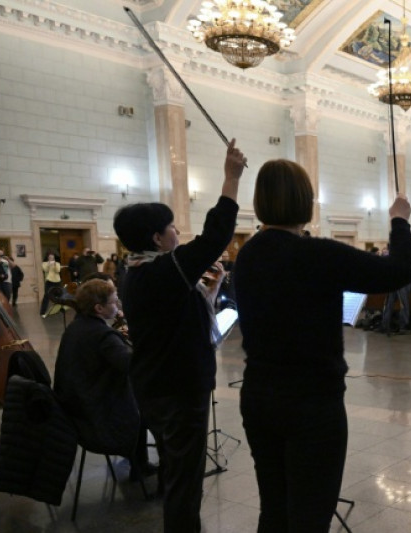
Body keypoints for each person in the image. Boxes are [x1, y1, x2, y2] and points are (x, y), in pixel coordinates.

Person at [233, 159, 411, 532]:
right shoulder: (315, 253)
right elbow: (399, 270)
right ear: (306, 202)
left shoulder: (247, 255)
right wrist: (399, 220)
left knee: (274, 507)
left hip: (259, 394)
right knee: (310, 514)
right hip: (311, 401)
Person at [113, 139, 245, 533]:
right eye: (172, 227)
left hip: (154, 386)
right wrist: (230, 179)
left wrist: (207, 290)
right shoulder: (158, 271)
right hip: (177, 390)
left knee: (176, 468)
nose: (176, 233)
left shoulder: (137, 271)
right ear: (157, 238)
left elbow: (170, 316)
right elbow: (214, 236)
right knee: (185, 480)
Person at [52, 279, 153, 478]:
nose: (118, 305)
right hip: (96, 417)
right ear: (99, 308)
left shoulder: (77, 326)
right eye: (114, 302)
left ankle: (139, 462)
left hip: (74, 408)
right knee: (151, 409)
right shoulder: (102, 335)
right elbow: (132, 367)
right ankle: (144, 467)